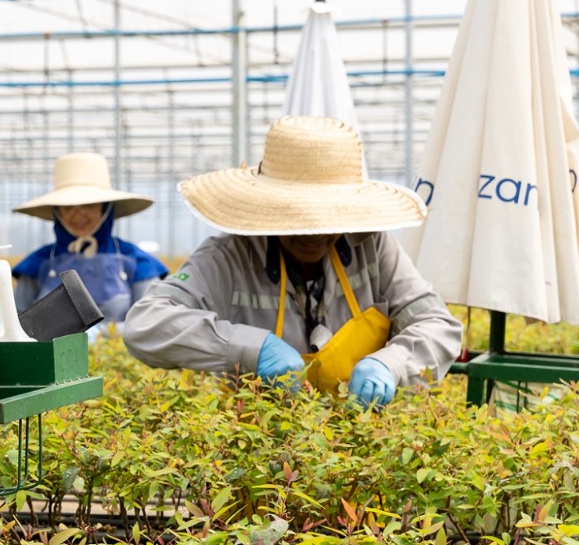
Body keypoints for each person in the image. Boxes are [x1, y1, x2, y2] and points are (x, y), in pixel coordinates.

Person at [124, 115, 461, 407]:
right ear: (269, 206)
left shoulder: (372, 246)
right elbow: (145, 325)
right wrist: (250, 347)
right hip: (258, 446)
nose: (313, 233)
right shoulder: (228, 258)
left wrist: (391, 365)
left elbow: (438, 326)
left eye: (327, 217)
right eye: (297, 215)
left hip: (363, 440)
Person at [11, 151, 169, 325]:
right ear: (57, 211)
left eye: (89, 205)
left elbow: (150, 325)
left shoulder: (137, 261)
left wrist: (107, 335)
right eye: (68, 206)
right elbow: (16, 325)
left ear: (106, 208)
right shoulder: (38, 263)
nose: (79, 214)